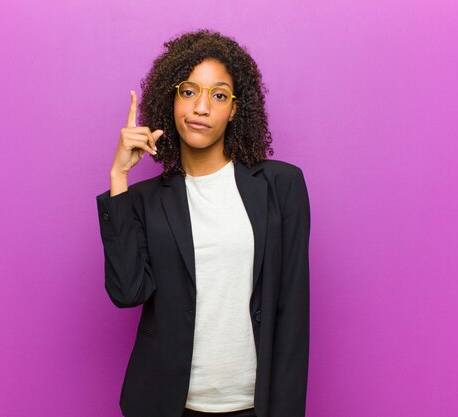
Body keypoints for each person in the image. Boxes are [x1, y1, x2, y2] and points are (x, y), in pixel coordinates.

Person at [96, 29, 311, 417]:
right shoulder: (146, 199)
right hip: (167, 404)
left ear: (234, 109)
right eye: (190, 91)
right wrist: (118, 181)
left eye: (219, 95)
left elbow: (292, 315)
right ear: (172, 98)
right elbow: (128, 292)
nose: (201, 107)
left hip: (252, 404)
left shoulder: (281, 186)